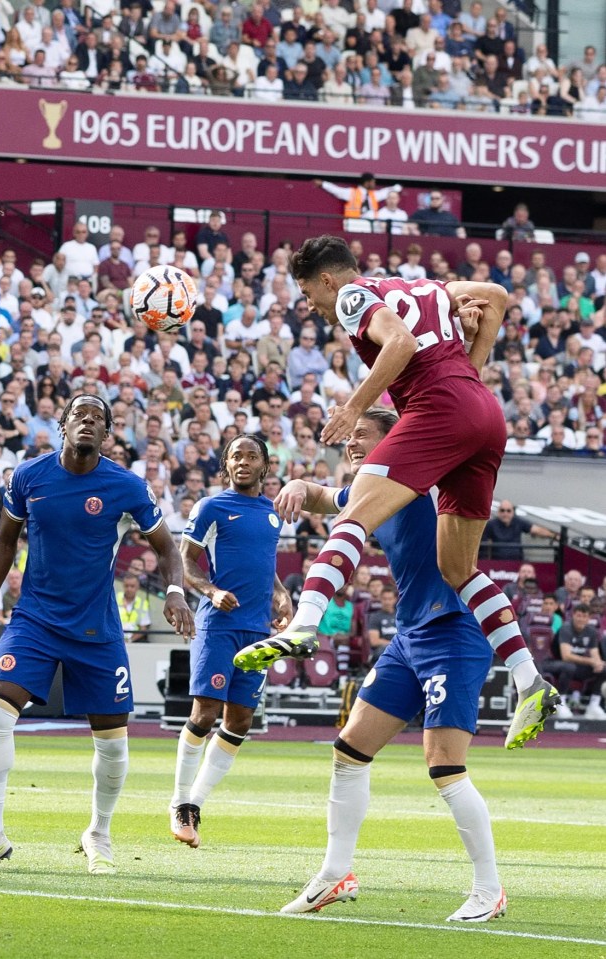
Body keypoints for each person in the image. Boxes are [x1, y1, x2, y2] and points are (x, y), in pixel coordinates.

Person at [233, 235, 559, 751]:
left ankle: (303, 624)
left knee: (354, 519)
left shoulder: (350, 296)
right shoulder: (426, 286)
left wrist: (352, 406)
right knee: (459, 569)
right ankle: (529, 681)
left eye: (308, 294)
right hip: (485, 415)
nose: (313, 307)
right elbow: (496, 294)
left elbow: (401, 344)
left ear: (325, 279)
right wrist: (472, 367)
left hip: (438, 410)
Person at [273, 409, 506, 923]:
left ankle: (489, 889)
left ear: (396, 442)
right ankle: (336, 874)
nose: (353, 444)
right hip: (410, 634)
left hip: (456, 627)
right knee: (348, 751)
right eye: (350, 437)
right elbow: (321, 496)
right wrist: (295, 482)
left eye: (363, 436)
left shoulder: (420, 480)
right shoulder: (370, 488)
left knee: (444, 765)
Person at [0, 393, 193, 876]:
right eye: (79, 414)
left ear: (107, 434)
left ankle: (98, 833)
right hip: (35, 620)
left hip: (96, 629)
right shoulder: (28, 477)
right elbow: (2, 543)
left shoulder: (127, 487)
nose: (87, 422)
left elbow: (166, 546)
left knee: (114, 744)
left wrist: (176, 591)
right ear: (62, 425)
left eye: (97, 419)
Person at [170, 435, 290, 848]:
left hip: (257, 630)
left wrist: (281, 593)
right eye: (235, 456)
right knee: (205, 713)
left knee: (239, 721)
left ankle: (196, 804)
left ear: (265, 465)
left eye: (250, 455)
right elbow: (184, 561)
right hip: (219, 625)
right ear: (226, 465)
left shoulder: (274, 513)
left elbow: (266, 564)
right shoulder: (212, 507)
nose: (242, 461)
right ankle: (179, 802)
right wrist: (210, 591)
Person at [315, 174, 401, 230]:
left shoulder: (373, 195)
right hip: (354, 223)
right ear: (367, 183)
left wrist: (398, 187)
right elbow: (336, 190)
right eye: (373, 182)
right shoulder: (351, 192)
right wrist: (323, 184)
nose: (375, 184)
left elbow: (385, 192)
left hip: (371, 226)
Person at [480, 500, 557, 560]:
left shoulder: (518, 522)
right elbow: (483, 544)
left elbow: (536, 530)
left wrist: (553, 535)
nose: (505, 513)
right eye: (502, 510)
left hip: (517, 562)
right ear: (498, 512)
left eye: (508, 511)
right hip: (498, 562)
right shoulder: (491, 525)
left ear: (513, 512)